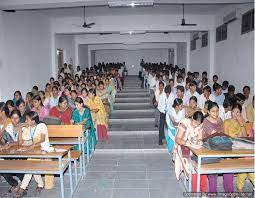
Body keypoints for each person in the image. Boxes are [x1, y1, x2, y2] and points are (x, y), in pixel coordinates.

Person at [16, 111, 51, 197]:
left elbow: (42, 139)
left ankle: (22, 188)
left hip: (44, 150)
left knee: (30, 164)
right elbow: (20, 142)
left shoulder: (42, 126)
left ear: (33, 121)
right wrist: (20, 128)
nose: (25, 121)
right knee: (32, 164)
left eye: (27, 119)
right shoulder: (28, 128)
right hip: (34, 151)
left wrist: (30, 146)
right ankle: (40, 184)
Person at [202, 101, 233, 193]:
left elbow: (222, 133)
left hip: (220, 146)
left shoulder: (220, 120)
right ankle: (212, 192)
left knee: (229, 167)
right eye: (213, 111)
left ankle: (230, 191)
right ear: (208, 112)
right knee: (213, 170)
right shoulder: (205, 121)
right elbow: (204, 137)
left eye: (217, 111)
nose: (215, 113)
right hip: (209, 148)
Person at [224, 103, 254, 192]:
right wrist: (237, 136)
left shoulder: (242, 121)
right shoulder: (227, 122)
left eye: (237, 112)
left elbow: (245, 137)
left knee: (247, 164)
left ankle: (239, 188)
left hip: (240, 149)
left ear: (240, 113)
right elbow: (227, 137)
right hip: (229, 148)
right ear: (231, 112)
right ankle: (229, 190)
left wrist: (241, 124)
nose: (235, 114)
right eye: (233, 112)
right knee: (229, 162)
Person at [174, 111, 207, 192]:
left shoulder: (200, 126)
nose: (196, 125)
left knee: (203, 165)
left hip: (193, 147)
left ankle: (203, 190)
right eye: (195, 122)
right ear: (192, 118)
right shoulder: (184, 123)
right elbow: (177, 139)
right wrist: (186, 143)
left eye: (198, 123)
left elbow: (199, 138)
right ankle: (195, 191)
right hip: (182, 146)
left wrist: (199, 141)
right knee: (193, 166)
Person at [1, 109, 24, 194]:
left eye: (17, 118)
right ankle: (15, 183)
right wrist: (4, 145)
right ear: (10, 118)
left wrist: (11, 144)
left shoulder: (23, 127)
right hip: (10, 153)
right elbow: (3, 139)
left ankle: (22, 184)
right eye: (13, 118)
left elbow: (21, 142)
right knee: (2, 166)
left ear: (20, 118)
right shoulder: (8, 127)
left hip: (21, 153)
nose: (15, 120)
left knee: (19, 164)